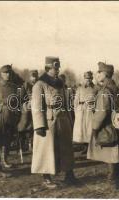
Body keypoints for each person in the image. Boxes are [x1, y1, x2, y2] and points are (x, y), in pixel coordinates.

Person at [31, 56, 77, 188]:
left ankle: (69, 175)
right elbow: (36, 107)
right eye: (55, 67)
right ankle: (46, 178)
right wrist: (39, 125)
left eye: (58, 67)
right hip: (48, 122)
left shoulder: (60, 83)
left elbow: (66, 102)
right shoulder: (39, 85)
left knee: (66, 148)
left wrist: (69, 119)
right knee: (46, 151)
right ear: (48, 68)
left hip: (62, 119)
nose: (58, 70)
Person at [87, 62, 119, 190]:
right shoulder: (115, 88)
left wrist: (94, 128)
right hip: (117, 126)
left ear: (105, 74)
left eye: (99, 72)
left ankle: (112, 182)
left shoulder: (104, 92)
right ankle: (115, 180)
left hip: (107, 127)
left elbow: (101, 113)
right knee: (116, 155)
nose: (97, 74)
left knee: (111, 155)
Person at [0, 65, 24, 168]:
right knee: (0, 137)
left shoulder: (14, 86)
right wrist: (5, 101)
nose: (7, 75)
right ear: (1, 74)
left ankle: (5, 158)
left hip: (12, 114)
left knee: (8, 137)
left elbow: (19, 99)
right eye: (5, 73)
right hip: (1, 114)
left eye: (9, 73)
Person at [73, 71, 97, 154]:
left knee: (89, 127)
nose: (88, 80)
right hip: (81, 109)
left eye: (90, 78)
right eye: (87, 78)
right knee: (81, 128)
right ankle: (84, 146)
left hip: (90, 109)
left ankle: (89, 146)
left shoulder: (95, 88)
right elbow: (76, 100)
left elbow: (97, 99)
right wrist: (76, 110)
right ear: (84, 79)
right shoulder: (80, 88)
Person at [18, 70, 39, 151]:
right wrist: (26, 103)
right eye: (32, 76)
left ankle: (32, 144)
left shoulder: (39, 85)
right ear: (30, 77)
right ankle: (23, 144)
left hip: (36, 110)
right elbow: (20, 97)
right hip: (27, 110)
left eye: (35, 76)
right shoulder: (26, 85)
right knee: (24, 126)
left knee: (35, 127)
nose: (34, 78)